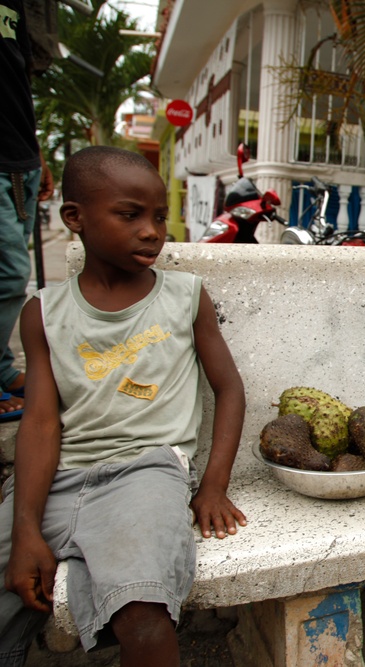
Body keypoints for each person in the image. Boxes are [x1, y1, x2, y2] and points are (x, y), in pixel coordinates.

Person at [0, 146, 247, 666]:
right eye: (129, 214)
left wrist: (213, 485)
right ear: (75, 218)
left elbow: (229, 388)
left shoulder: (184, 296)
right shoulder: (43, 313)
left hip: (148, 473)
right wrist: (26, 525)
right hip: (61, 475)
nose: (152, 231)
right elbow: (41, 422)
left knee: (143, 612)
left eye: (159, 216)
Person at [0, 0, 54, 421]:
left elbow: (16, 80)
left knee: (13, 276)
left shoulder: (18, 8)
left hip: (18, 159)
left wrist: (34, 151)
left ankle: (2, 369)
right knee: (10, 273)